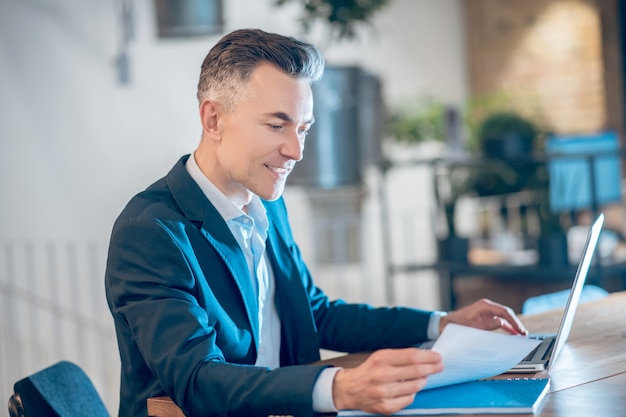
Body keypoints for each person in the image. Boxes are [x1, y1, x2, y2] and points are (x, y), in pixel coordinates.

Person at [105, 28, 528, 417]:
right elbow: (196, 382)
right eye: (277, 125)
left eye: (303, 129)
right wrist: (337, 387)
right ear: (213, 119)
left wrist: (440, 323)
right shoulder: (151, 231)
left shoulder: (268, 203)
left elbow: (314, 314)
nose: (295, 150)